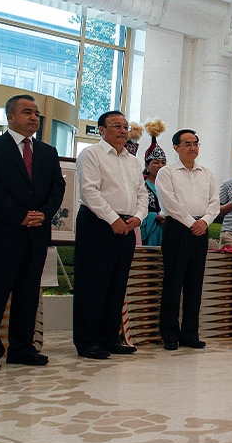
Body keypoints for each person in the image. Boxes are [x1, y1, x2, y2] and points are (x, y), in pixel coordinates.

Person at [0, 94, 65, 371]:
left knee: (27, 295)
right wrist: (20, 215)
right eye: (27, 112)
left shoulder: (47, 152)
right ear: (10, 117)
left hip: (35, 236)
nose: (34, 117)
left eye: (36, 113)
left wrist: (44, 214)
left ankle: (22, 348)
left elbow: (57, 187)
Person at [72, 111, 148, 359]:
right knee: (92, 283)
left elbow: (142, 194)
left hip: (127, 225)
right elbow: (90, 192)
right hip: (98, 223)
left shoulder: (132, 161)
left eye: (126, 127)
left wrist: (138, 217)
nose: (123, 131)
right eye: (117, 126)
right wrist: (113, 219)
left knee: (117, 284)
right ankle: (87, 341)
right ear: (102, 130)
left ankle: (109, 337)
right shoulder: (91, 154)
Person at [155, 129, 220, 351]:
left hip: (201, 230)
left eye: (195, 143)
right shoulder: (167, 172)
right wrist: (191, 222)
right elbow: (169, 202)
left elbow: (214, 202)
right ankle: (170, 334)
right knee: (173, 283)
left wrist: (205, 222)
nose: (193, 148)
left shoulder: (206, 173)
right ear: (176, 148)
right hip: (177, 229)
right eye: (187, 144)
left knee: (195, 283)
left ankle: (190, 333)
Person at [140, 141, 167, 247]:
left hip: (168, 230)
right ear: (147, 166)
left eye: (163, 163)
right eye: (156, 162)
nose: (160, 166)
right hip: (149, 231)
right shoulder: (141, 186)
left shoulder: (171, 186)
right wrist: (154, 216)